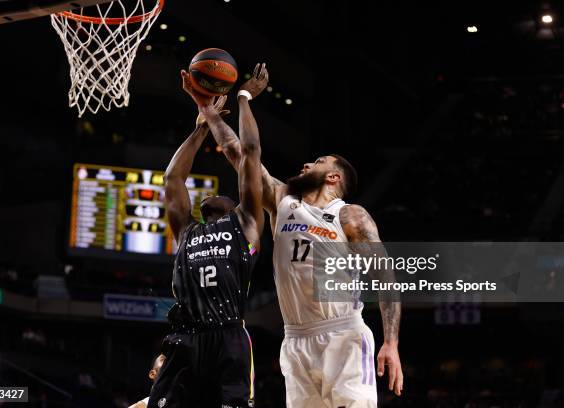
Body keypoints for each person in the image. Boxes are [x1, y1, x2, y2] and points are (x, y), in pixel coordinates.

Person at [190, 63, 403, 408]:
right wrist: (209, 113)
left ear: (334, 178)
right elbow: (238, 154)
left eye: (317, 162)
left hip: (343, 334)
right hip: (295, 339)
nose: (306, 165)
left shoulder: (350, 216)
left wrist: (390, 342)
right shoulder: (282, 201)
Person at [147, 64, 268, 408]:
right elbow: (172, 179)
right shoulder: (187, 229)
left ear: (234, 204)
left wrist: (244, 99)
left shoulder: (244, 223)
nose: (212, 195)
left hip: (228, 336)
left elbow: (250, 154)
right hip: (186, 336)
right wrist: (200, 129)